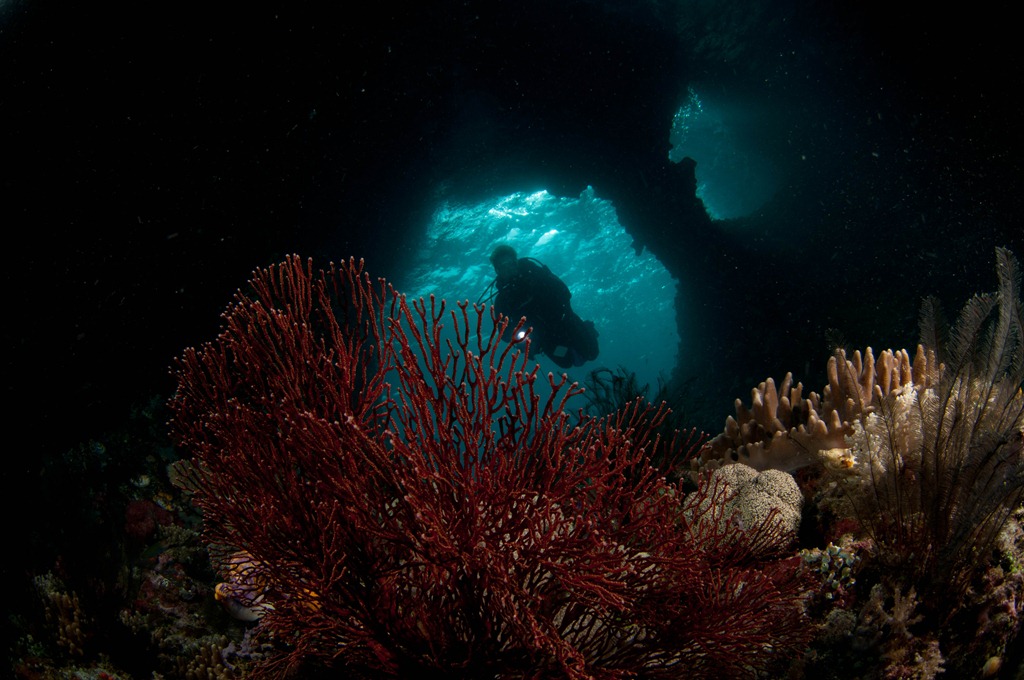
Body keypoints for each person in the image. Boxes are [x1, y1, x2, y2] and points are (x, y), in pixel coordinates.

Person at [487, 244, 599, 368]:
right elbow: (504, 334)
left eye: (509, 263)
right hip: (545, 339)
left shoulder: (536, 275)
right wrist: (521, 338)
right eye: (502, 267)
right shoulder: (503, 300)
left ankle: (587, 328)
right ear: (497, 271)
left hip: (564, 320)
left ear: (516, 262)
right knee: (566, 362)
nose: (508, 269)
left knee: (592, 353)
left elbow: (564, 292)